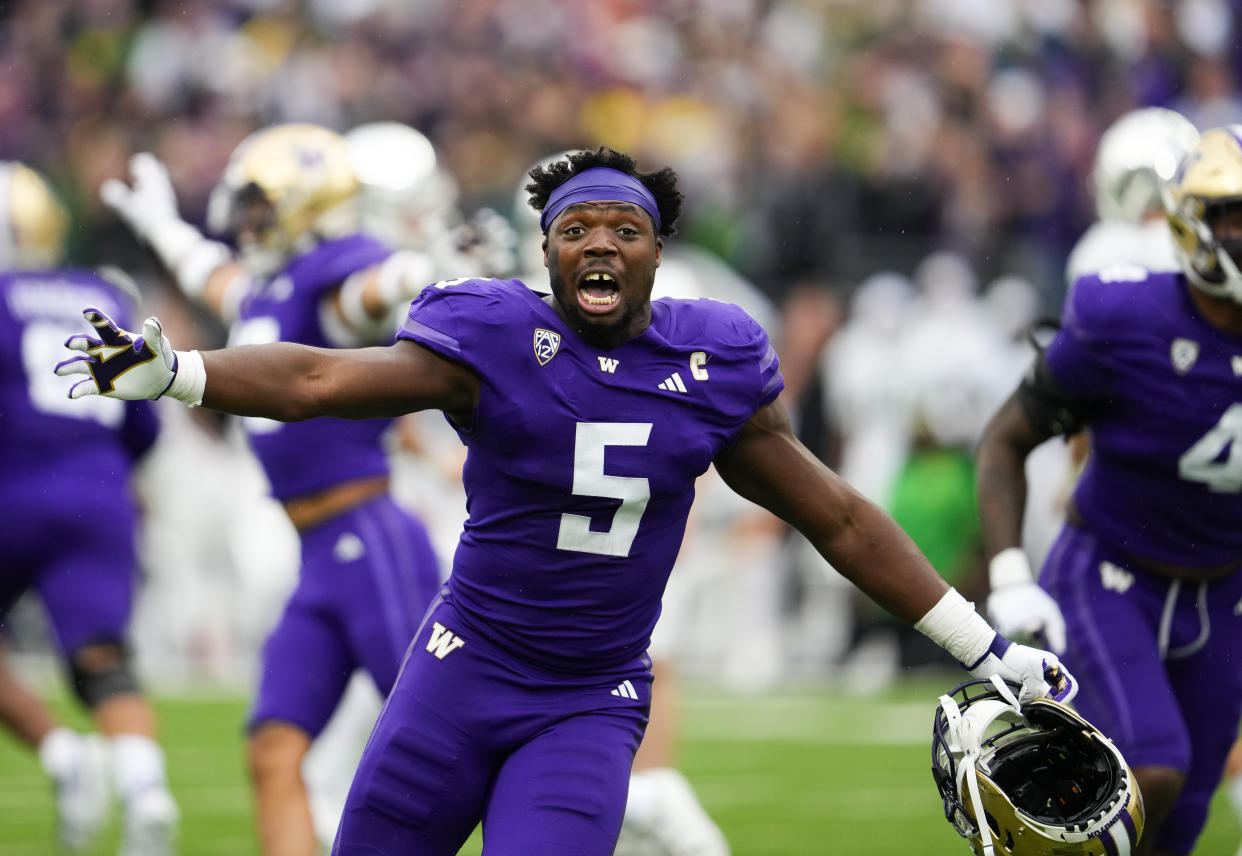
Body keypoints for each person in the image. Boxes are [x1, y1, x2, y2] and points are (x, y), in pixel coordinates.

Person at [61, 145, 1075, 856]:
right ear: (543, 251)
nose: (600, 244)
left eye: (623, 229)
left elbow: (839, 517)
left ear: (655, 251)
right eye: (576, 228)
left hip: (589, 698)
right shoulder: (492, 335)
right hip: (459, 671)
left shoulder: (712, 358)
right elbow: (324, 379)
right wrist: (182, 371)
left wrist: (984, 647)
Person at [99, 123, 445, 856]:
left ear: (306, 201)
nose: (246, 216)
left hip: (373, 534)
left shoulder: (338, 268)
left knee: (440, 746)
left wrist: (423, 269)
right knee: (273, 747)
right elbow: (216, 278)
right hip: (317, 555)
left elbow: (372, 296)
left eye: (260, 200)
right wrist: (160, 224)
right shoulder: (272, 282)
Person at [974, 125, 1242, 856]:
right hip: (1110, 576)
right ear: (1192, 221)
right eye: (1235, 215)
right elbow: (1006, 438)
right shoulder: (1125, 315)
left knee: (1187, 814)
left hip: (1222, 592)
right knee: (1149, 770)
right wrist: (1008, 576)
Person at [0, 161, 179, 854]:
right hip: (100, 494)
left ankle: (62, 754)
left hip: (12, 488)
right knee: (104, 659)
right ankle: (146, 790)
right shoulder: (103, 291)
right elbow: (144, 422)